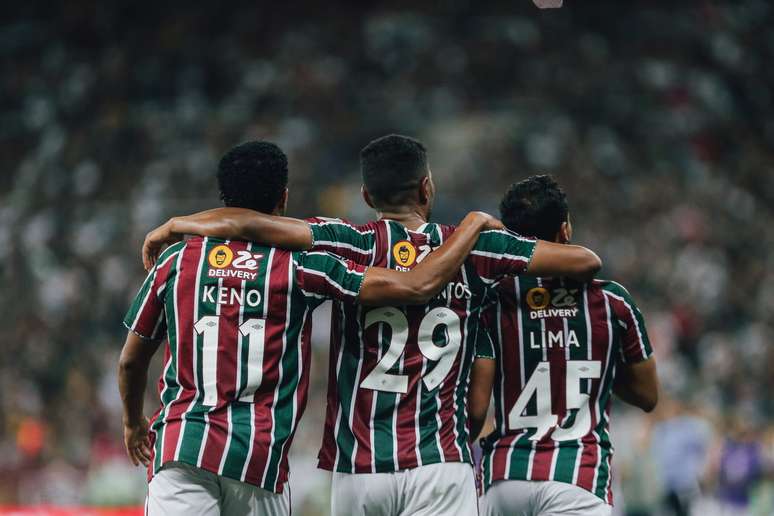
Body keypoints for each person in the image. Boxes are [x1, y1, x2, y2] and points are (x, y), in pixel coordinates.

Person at [142, 135, 603, 515]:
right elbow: (584, 261)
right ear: (427, 188)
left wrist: (179, 224)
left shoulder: (348, 240)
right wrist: (478, 227)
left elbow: (253, 224)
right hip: (439, 460)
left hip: (359, 468)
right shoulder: (478, 248)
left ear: (366, 196)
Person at [468, 175, 659, 516]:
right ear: (566, 230)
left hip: (504, 476)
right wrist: (592, 363)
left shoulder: (492, 303)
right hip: (577, 476)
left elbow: (477, 403)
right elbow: (648, 396)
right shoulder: (613, 303)